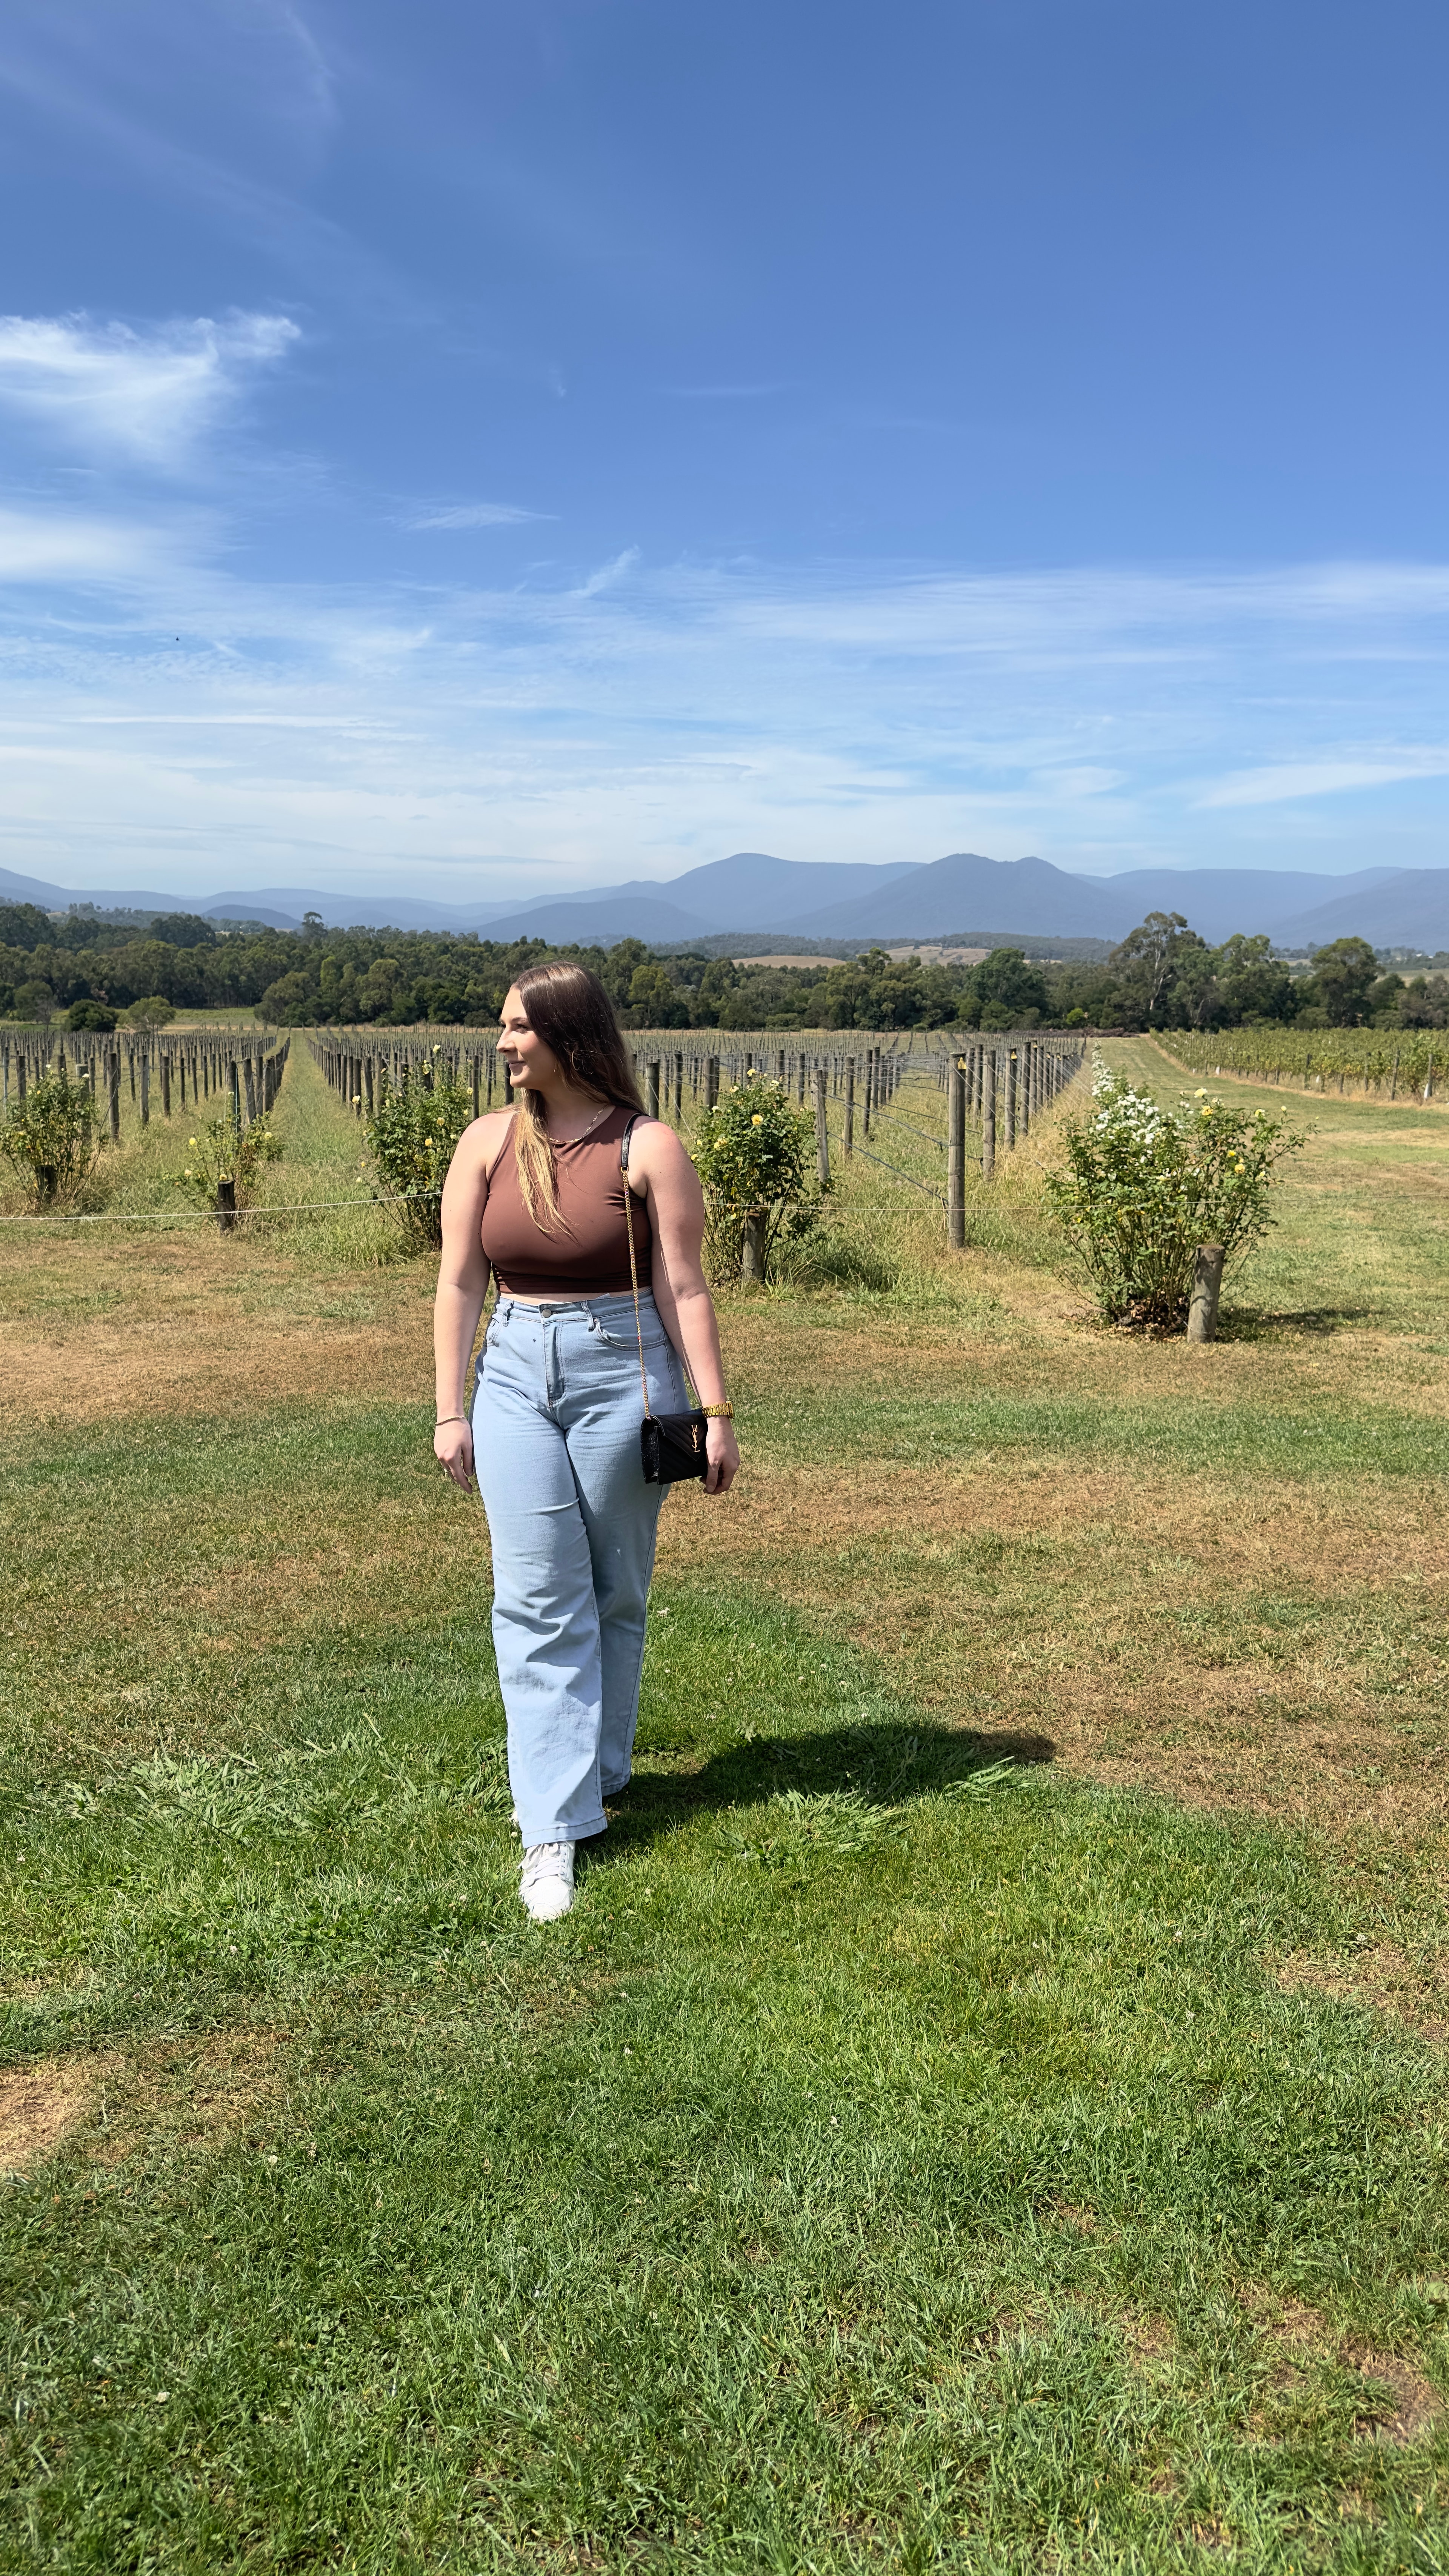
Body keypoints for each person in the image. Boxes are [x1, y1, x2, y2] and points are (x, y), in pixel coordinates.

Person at [433, 961, 740, 1922]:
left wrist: (717, 1413)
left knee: (616, 1587)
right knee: (535, 1596)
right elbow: (457, 1285)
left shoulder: (648, 1146)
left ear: (569, 1034)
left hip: (627, 1365)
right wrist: (451, 1408)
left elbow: (685, 1286)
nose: (503, 1042)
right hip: (515, 1369)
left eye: (519, 1026)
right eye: (503, 1026)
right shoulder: (487, 1143)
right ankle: (552, 1829)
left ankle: (601, 1767)